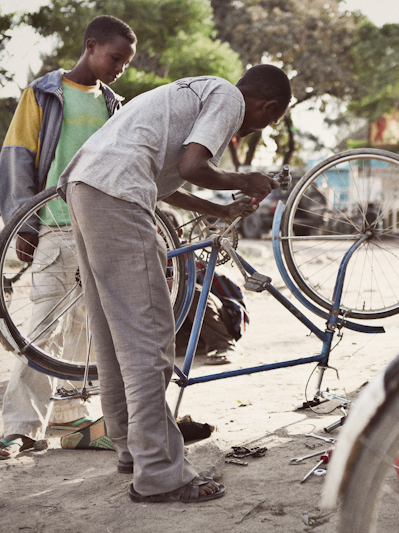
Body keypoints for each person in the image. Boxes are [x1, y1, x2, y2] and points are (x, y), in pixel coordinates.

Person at [56, 65, 292, 503]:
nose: (257, 128)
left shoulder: (191, 93)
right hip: (117, 195)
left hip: (87, 185)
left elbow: (167, 181)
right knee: (148, 337)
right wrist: (246, 180)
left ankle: (133, 447)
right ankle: (161, 475)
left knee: (113, 334)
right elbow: (192, 165)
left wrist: (220, 209)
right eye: (269, 122)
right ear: (267, 107)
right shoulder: (228, 97)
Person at [0, 16, 137, 460]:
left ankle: (70, 415)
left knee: (86, 329)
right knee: (43, 328)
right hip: (52, 227)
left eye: (126, 64)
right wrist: (22, 224)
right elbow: (18, 159)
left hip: (99, 231)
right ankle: (20, 426)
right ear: (90, 46)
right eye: (115, 58)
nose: (119, 69)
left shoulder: (114, 104)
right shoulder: (44, 93)